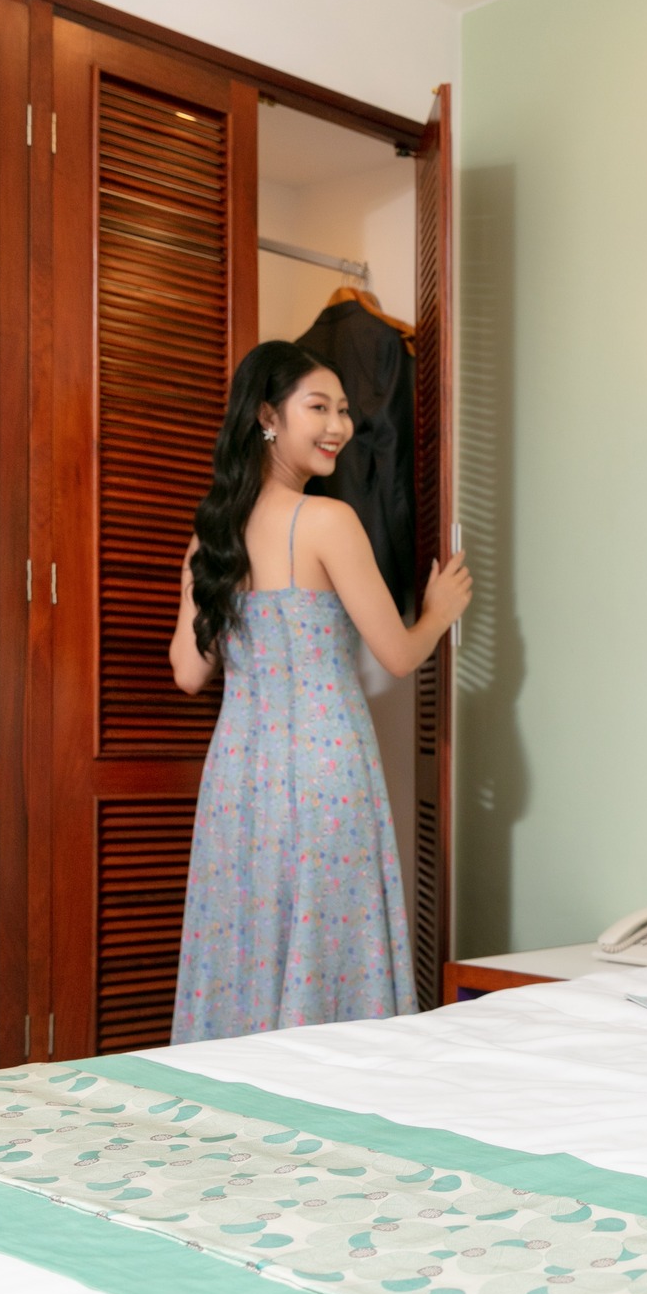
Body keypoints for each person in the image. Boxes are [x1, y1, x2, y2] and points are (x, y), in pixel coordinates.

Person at [168, 340, 472, 1044]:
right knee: (327, 940)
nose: (339, 425)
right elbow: (398, 654)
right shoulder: (328, 521)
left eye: (343, 410)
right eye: (319, 407)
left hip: (238, 778)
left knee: (244, 940)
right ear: (267, 417)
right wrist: (438, 613)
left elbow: (187, 672)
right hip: (325, 771)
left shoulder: (212, 534)